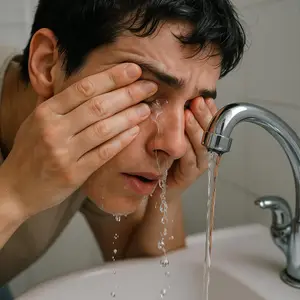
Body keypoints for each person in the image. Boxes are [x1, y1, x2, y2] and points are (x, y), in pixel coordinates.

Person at [0, 0, 246, 290]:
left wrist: (167, 195)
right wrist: (13, 196)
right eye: (145, 93)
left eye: (190, 106)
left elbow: (142, 274)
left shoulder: (94, 139)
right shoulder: (90, 130)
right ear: (47, 64)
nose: (176, 145)